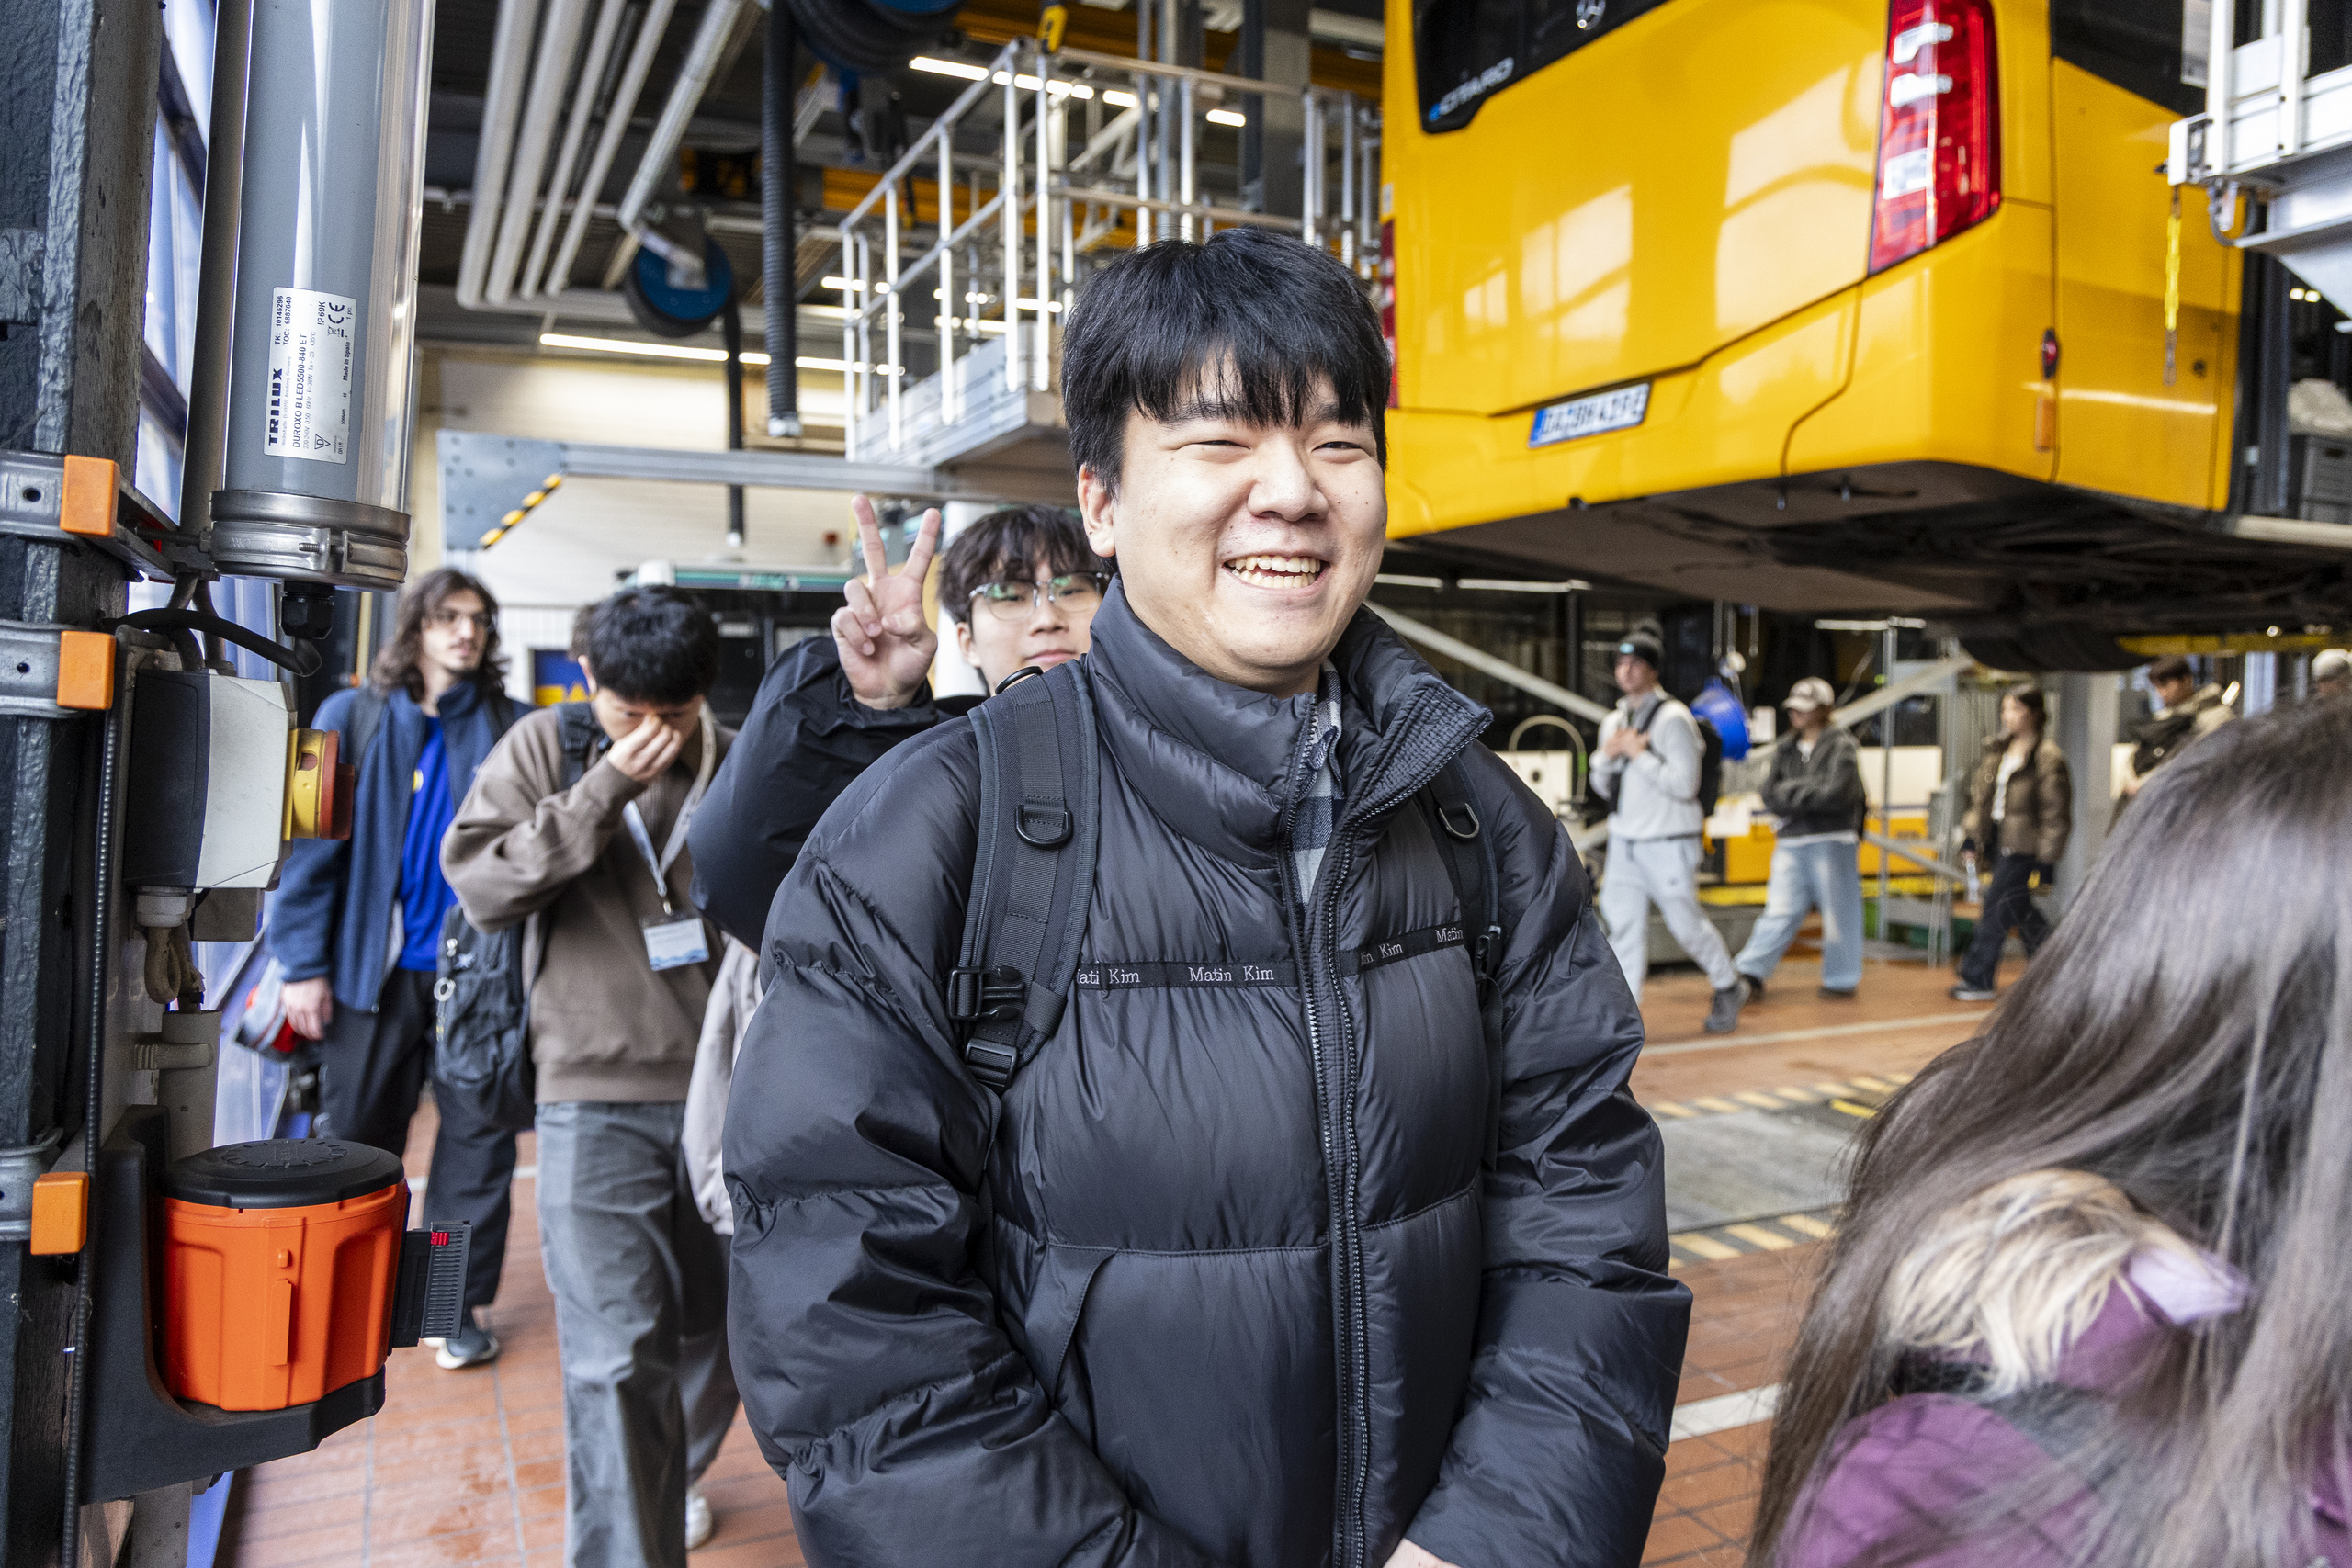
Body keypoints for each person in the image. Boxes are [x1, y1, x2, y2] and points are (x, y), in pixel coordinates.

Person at [723, 229, 1687, 1568]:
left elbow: (1584, 1217)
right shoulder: (935, 832)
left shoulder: (1481, 823)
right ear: (1103, 503)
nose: (1292, 491)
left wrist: (1493, 1539)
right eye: (1220, 440)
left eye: (1338, 442)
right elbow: (850, 1334)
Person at [1748, 699, 2352, 1568]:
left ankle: (1983, 961)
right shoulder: (1966, 1484)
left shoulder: (2035, 761)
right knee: (2001, 912)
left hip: (2013, 850)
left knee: (2002, 910)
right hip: (1988, 849)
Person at [444, 587, 740, 1567]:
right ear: (587, 681)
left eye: (673, 715)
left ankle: (668, 1473)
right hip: (590, 1095)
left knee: (728, 1335)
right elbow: (483, 885)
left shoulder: (739, 758)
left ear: (704, 694)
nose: (650, 733)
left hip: (727, 1098)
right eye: (627, 713)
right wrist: (603, 788)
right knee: (616, 1355)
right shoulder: (546, 747)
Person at [268, 566, 518, 1370]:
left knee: (476, 1148)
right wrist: (302, 963)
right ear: (414, 626)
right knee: (358, 1146)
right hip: (367, 977)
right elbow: (307, 846)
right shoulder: (344, 717)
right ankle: (348, 1298)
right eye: (449, 616)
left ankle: (450, 1307)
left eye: (478, 618)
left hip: (477, 979)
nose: (466, 631)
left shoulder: (512, 725)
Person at [688, 497, 1110, 950]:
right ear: (966, 641)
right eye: (1010, 595)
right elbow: (749, 885)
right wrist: (872, 712)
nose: (1047, 618)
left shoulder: (1157, 747)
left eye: (1072, 589)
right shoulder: (930, 763)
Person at [1591, 629, 1748, 1032]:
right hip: (1625, 842)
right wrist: (1606, 757)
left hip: (1668, 842)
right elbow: (1602, 786)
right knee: (1623, 930)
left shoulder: (1673, 718)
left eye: (1636, 663)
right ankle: (1624, 1017)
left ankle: (1727, 984)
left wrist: (1638, 755)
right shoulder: (1614, 721)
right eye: (1620, 664)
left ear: (1653, 670)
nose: (1626, 671)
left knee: (1686, 926)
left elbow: (1684, 785)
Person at [1733, 676, 1866, 1001]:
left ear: (1823, 710)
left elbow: (1837, 792)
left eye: (1804, 709)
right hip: (1791, 841)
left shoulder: (1842, 745)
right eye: (1794, 708)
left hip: (1832, 839)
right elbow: (1768, 793)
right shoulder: (1786, 747)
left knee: (1839, 913)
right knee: (1779, 909)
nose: (1796, 714)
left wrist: (1791, 792)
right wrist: (1807, 791)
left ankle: (1841, 979)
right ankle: (1750, 972)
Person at [1951, 683, 2072, 1003]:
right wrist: (1972, 837)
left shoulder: (2047, 757)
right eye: (2004, 708)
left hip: (2023, 847)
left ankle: (1978, 977)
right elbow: (1981, 800)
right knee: (2021, 910)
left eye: (2015, 708)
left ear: (2034, 713)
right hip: (1997, 839)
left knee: (1996, 909)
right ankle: (2058, 971)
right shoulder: (1998, 751)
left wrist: (2047, 861)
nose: (2007, 715)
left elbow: (2055, 814)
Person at [2118, 653, 2232, 799]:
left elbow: (2196, 759)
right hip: (2151, 797)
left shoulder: (2213, 715)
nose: (2161, 693)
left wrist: (2146, 783)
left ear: (2186, 680)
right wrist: (2130, 780)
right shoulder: (2164, 716)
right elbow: (2138, 751)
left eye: (2165, 685)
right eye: (2156, 687)